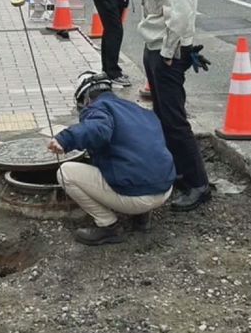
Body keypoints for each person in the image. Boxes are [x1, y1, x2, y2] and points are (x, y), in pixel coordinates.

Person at [114, 0, 213, 212]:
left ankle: (198, 184)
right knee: (164, 117)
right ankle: (181, 174)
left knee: (174, 120)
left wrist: (170, 54)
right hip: (155, 50)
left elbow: (180, 16)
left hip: (166, 54)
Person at [48, 71, 176, 245]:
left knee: (65, 172)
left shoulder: (98, 108)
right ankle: (142, 217)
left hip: (137, 196)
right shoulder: (138, 110)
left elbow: (99, 129)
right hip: (164, 188)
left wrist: (66, 139)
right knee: (132, 158)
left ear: (86, 99)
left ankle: (108, 226)